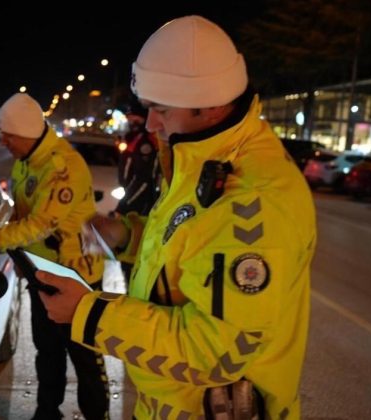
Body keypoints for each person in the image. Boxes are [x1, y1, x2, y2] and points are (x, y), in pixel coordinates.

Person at [35, 15, 316, 419]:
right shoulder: (201, 155)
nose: (150, 124)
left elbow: (218, 352)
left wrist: (88, 313)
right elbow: (191, 242)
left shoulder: (253, 201)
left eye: (160, 109)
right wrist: (127, 236)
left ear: (211, 104)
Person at [0, 93, 110, 420]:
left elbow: (38, 226)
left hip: (76, 276)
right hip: (43, 273)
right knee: (48, 351)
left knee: (86, 357)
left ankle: (97, 416)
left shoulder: (62, 167)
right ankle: (47, 412)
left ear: (26, 134)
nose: (4, 143)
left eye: (8, 137)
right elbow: (19, 216)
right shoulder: (25, 162)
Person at [115, 104, 161, 217]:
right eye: (130, 119)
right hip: (130, 194)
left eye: (136, 119)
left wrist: (124, 205)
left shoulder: (145, 143)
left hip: (139, 203)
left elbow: (143, 179)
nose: (132, 122)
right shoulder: (134, 138)